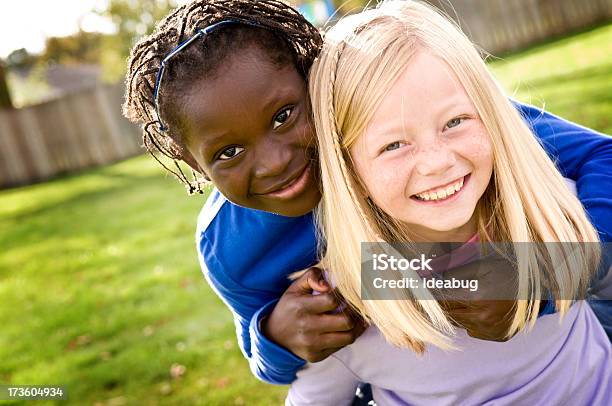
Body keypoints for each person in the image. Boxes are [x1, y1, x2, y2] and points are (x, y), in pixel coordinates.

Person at [122, 0, 612, 388]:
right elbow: (265, 355)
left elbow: (601, 157)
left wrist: (553, 274)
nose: (273, 162)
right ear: (193, 165)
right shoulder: (234, 252)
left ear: (315, 80)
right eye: (228, 152)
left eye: (283, 116)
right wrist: (276, 339)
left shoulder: (417, 122)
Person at [286, 1, 611, 404]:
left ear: (492, 118)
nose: (437, 162)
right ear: (350, 173)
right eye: (394, 145)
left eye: (455, 122)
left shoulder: (555, 214)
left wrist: (544, 279)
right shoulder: (342, 303)